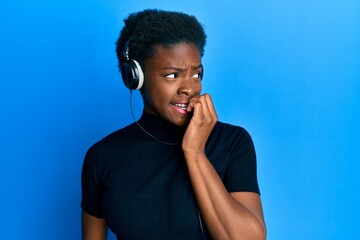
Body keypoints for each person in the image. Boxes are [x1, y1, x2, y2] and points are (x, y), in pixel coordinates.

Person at [81, 9, 266, 240]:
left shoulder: (232, 142)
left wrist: (195, 152)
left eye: (196, 74)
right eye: (172, 75)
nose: (189, 88)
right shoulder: (102, 157)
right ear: (135, 77)